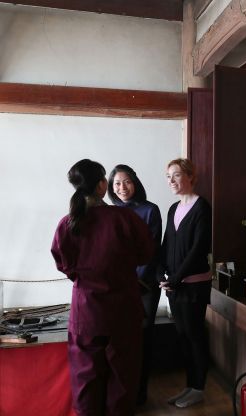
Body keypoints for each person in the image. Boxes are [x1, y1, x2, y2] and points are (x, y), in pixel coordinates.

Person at [51, 159, 153, 416]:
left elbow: (62, 263)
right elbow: (145, 254)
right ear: (102, 185)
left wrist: (85, 278)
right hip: (123, 310)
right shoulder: (124, 218)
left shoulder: (68, 222)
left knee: (86, 382)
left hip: (86, 312)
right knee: (122, 381)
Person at [159, 158, 212, 408]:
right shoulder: (172, 208)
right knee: (182, 336)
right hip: (175, 286)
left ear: (190, 176)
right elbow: (166, 245)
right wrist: (161, 275)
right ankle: (189, 386)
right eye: (168, 176)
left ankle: (199, 388)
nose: (171, 180)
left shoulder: (202, 207)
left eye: (176, 175)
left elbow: (198, 248)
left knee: (195, 335)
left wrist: (176, 278)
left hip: (194, 284)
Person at [107, 164, 162, 406]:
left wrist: (135, 280)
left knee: (142, 339)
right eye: (117, 183)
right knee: (120, 342)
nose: (122, 188)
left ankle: (140, 394)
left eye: (126, 182)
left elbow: (151, 250)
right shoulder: (108, 212)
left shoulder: (150, 210)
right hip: (117, 289)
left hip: (144, 287)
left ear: (136, 182)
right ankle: (121, 394)